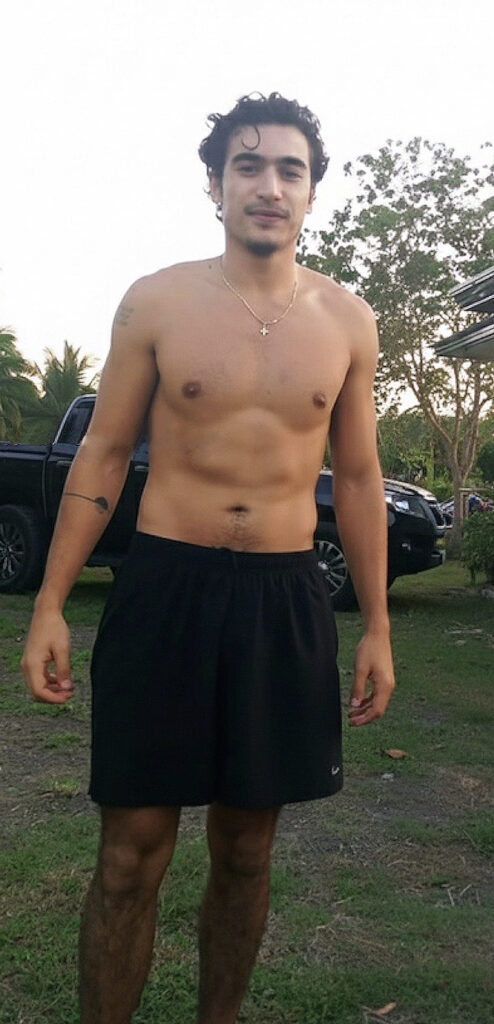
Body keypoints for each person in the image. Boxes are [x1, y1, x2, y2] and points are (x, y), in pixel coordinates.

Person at [22, 92, 395, 1024]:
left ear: (311, 192)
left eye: (289, 170)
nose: (269, 186)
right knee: (130, 854)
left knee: (246, 851)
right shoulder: (157, 300)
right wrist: (50, 603)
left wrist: (379, 628)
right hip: (165, 589)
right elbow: (104, 451)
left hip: (283, 600)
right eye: (248, 166)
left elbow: (358, 477)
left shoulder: (348, 321)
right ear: (216, 186)